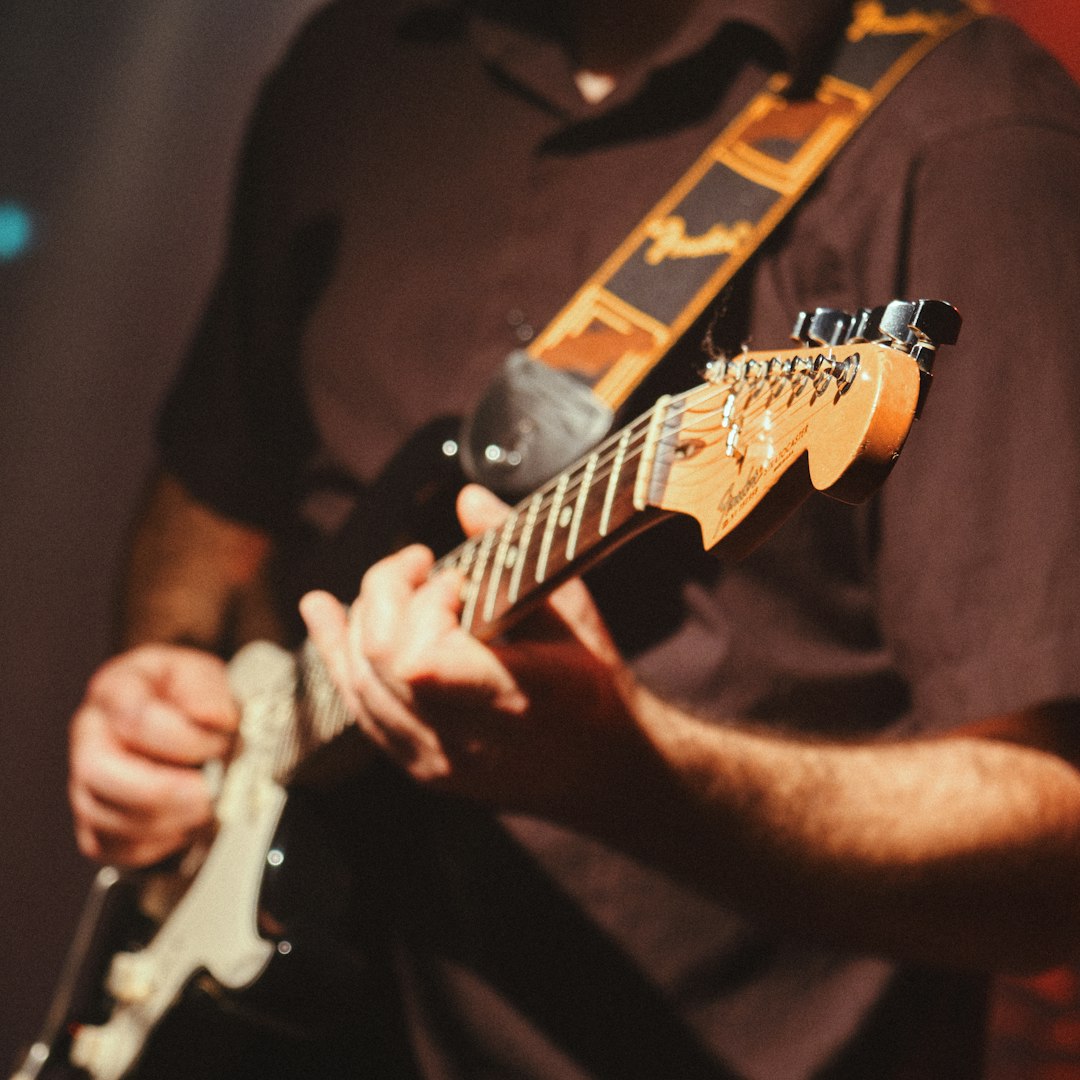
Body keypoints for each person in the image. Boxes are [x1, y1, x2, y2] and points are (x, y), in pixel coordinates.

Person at [67, 0, 1080, 1076]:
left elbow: (1052, 858)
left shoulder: (969, 133)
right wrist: (166, 680)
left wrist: (635, 773)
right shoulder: (353, 58)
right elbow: (213, 493)